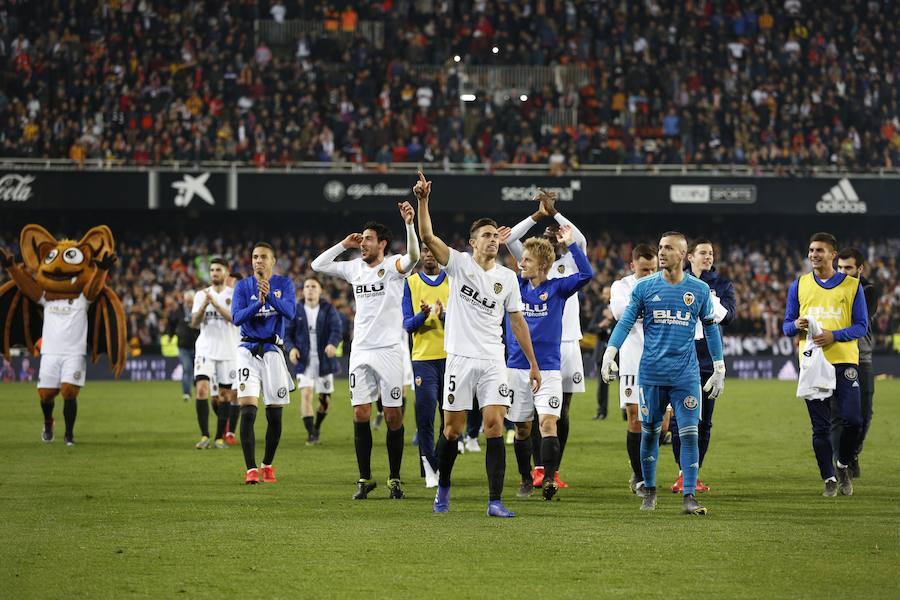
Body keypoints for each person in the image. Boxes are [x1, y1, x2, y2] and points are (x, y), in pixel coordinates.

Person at [415, 171, 541, 518]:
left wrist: (532, 363)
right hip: (458, 359)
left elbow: (517, 322)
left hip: (492, 361)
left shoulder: (508, 278)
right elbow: (427, 234)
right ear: (473, 242)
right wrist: (423, 200)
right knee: (451, 430)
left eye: (494, 235)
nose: (492, 240)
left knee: (495, 426)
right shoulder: (458, 264)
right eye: (485, 235)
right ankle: (443, 488)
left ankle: (494, 500)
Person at [602, 232, 726, 515]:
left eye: (668, 248)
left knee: (690, 434)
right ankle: (650, 490)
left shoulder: (699, 290)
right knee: (649, 434)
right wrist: (610, 352)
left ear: (682, 255)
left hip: (686, 375)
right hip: (652, 374)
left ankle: (689, 495)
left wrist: (719, 366)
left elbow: (710, 328)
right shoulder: (644, 287)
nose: (661, 252)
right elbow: (625, 322)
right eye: (660, 247)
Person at [312, 202, 420, 500]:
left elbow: (414, 256)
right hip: (360, 351)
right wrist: (342, 245)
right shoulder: (354, 268)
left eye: (368, 239)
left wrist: (409, 223)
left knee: (393, 417)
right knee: (360, 412)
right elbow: (317, 266)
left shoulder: (394, 266)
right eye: (361, 238)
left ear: (382, 243)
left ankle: (395, 478)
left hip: (389, 351)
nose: (362, 243)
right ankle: (364, 478)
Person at [500, 224, 592, 500]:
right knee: (522, 428)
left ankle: (550, 479)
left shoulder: (558, 288)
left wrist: (572, 243)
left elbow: (586, 273)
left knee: (548, 424)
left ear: (542, 265)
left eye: (527, 260)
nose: (521, 263)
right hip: (516, 367)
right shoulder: (513, 285)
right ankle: (526, 477)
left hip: (550, 368)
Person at [783, 233, 868, 497]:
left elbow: (861, 326)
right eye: (811, 250)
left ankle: (843, 463)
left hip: (843, 360)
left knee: (853, 421)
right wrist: (795, 325)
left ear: (833, 254)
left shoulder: (853, 287)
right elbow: (786, 326)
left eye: (819, 250)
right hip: (813, 364)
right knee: (820, 427)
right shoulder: (799, 285)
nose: (813, 254)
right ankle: (829, 477)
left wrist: (834, 335)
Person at [670, 239, 736, 493]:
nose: (708, 257)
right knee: (679, 419)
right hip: (680, 357)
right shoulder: (676, 280)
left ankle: (694, 474)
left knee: (704, 421)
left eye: (711, 253)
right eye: (703, 253)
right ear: (690, 257)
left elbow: (729, 316)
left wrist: (710, 300)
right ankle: (681, 472)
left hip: (709, 358)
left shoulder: (722, 285)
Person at [231, 242, 297, 484]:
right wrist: (258, 303)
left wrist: (269, 297)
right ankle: (250, 469)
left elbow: (290, 312)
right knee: (247, 411)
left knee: (275, 416)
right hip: (247, 350)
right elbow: (237, 318)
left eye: (263, 257)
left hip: (273, 352)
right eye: (255, 257)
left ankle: (267, 464)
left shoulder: (284, 284)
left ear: (273, 261)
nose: (258, 260)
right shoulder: (242, 286)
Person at [609, 243, 658, 496]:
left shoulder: (667, 284)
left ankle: (646, 467)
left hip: (661, 360)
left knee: (661, 424)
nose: (649, 275)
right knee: (635, 419)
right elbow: (619, 312)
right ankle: (640, 478)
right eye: (643, 270)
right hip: (631, 360)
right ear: (632, 266)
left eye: (653, 270)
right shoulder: (621, 286)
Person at [402, 244, 449, 487]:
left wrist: (443, 316)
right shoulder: (411, 283)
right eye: (425, 250)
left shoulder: (453, 279)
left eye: (433, 250)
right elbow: (407, 325)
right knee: (426, 416)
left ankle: (441, 464)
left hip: (451, 358)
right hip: (423, 360)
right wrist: (422, 316)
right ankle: (429, 469)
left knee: (449, 419)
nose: (429, 254)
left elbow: (464, 322)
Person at [835, 248, 878, 478]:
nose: (843, 272)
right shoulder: (829, 286)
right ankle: (840, 461)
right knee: (837, 416)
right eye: (840, 268)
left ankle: (852, 452)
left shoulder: (868, 290)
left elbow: (857, 319)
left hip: (862, 357)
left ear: (860, 269)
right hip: (837, 356)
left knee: (865, 414)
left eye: (848, 268)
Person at [285, 276, 342, 445]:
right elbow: (287, 333)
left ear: (320, 290)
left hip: (324, 360)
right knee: (306, 394)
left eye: (313, 286)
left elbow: (336, 329)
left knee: (325, 400)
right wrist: (291, 348)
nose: (310, 289)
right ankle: (311, 433)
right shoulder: (296, 309)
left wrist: (332, 343)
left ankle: (316, 426)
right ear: (303, 290)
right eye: (307, 286)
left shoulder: (328, 308)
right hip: (304, 360)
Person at [190, 257, 237, 450]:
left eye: (218, 270)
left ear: (226, 272)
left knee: (225, 395)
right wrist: (203, 306)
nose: (214, 273)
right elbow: (194, 323)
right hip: (205, 350)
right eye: (212, 270)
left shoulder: (234, 294)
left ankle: (219, 438)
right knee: (202, 389)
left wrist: (216, 305)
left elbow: (236, 320)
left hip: (227, 350)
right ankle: (204, 435)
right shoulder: (201, 295)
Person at [166, 290, 199, 402]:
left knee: (197, 371)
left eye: (191, 302)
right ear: (185, 301)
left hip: (197, 346)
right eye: (188, 302)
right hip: (183, 346)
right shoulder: (179, 311)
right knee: (187, 368)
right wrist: (170, 335)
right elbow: (171, 322)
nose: (189, 304)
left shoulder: (199, 309)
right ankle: (186, 393)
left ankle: (198, 391)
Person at [588, 285, 614, 420]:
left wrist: (613, 318)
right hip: (602, 351)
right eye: (605, 294)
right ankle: (601, 412)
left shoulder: (620, 309)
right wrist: (601, 325)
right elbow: (591, 327)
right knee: (602, 384)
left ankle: (627, 412)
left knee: (624, 381)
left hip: (619, 351)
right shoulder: (599, 309)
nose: (606, 297)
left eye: (609, 294)